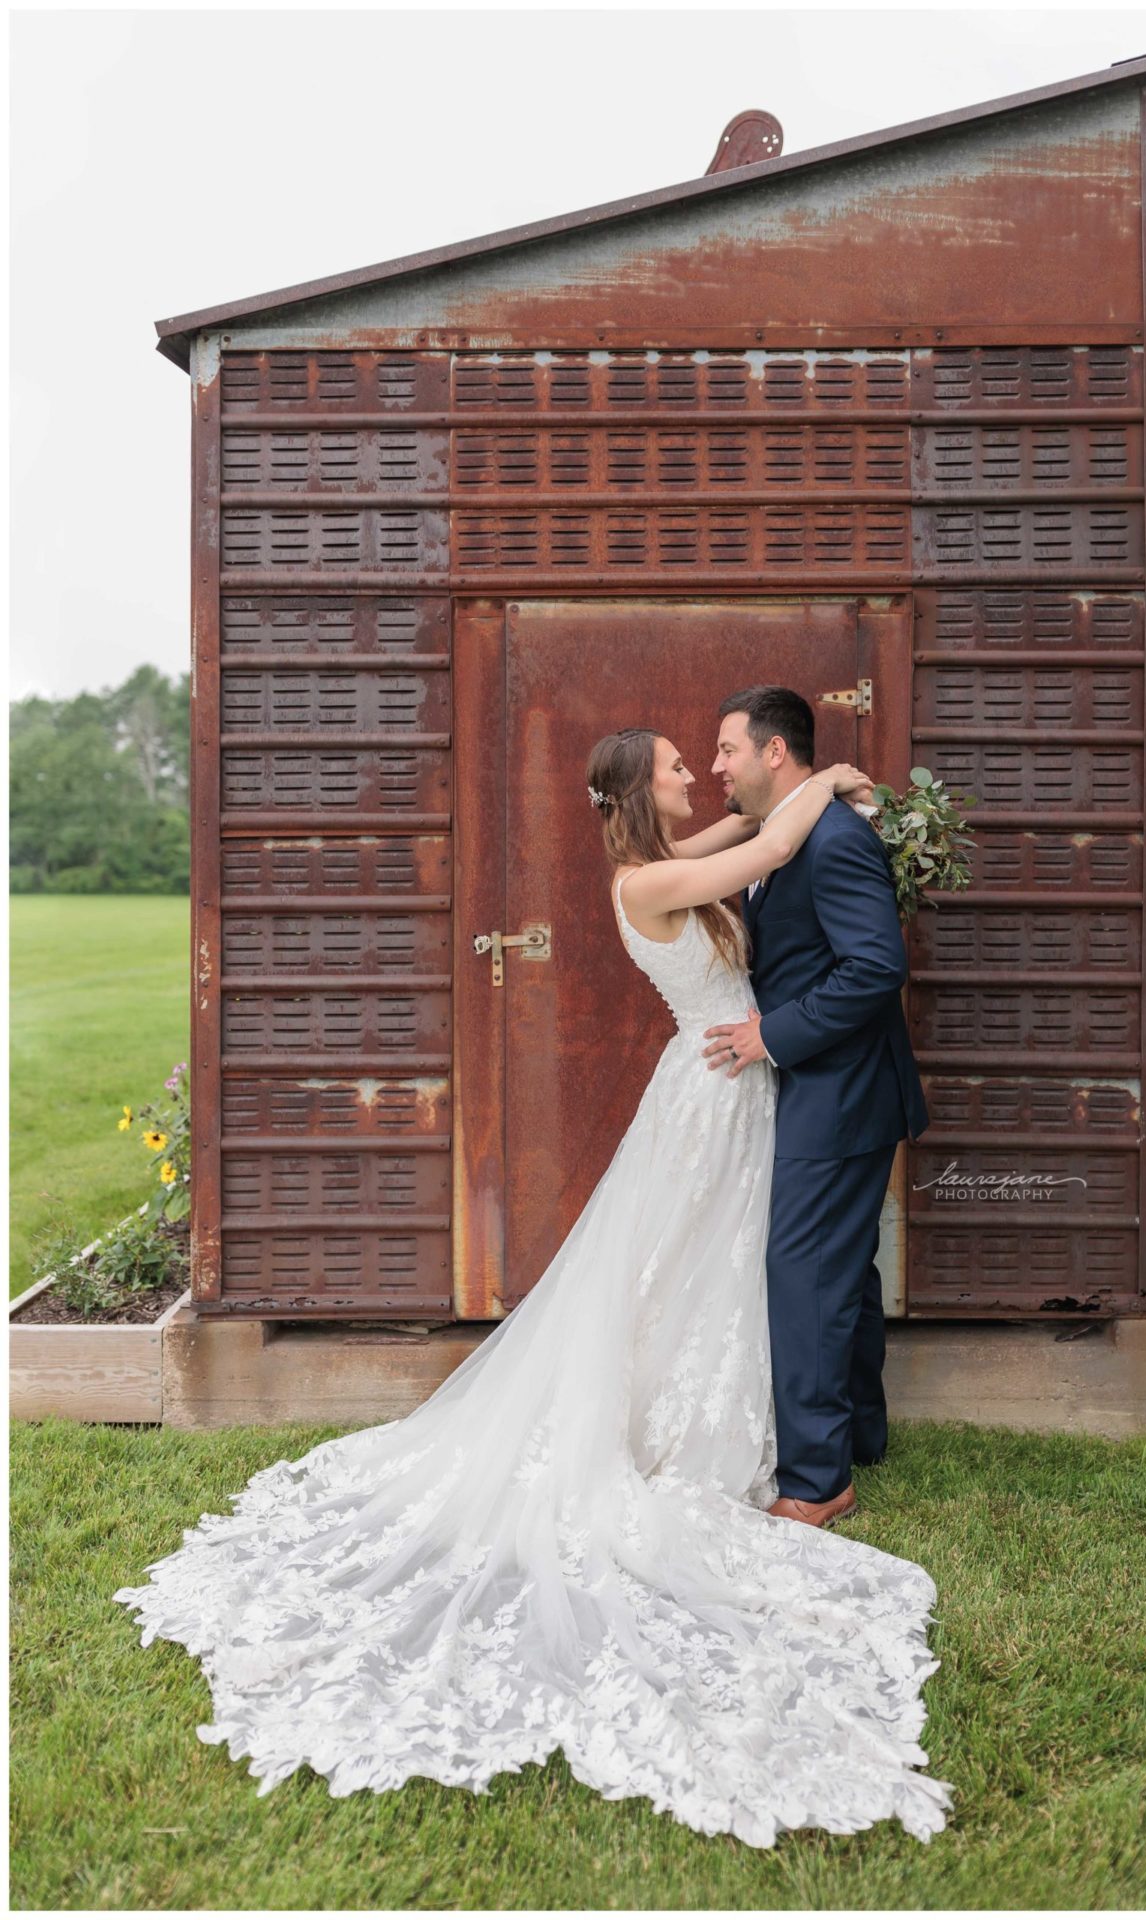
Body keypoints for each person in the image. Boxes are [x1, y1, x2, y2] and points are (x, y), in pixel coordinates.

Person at [113, 724, 953, 1849]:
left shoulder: (674, 849)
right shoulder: (647, 877)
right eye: (672, 762)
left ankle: (791, 1418)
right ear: (634, 791)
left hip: (743, 1092)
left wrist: (803, 794)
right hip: (712, 1093)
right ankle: (700, 1428)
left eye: (699, 755)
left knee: (734, 1268)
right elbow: (761, 848)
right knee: (689, 1265)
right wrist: (832, 782)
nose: (691, 770)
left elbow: (754, 825)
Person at [702, 687, 930, 1527]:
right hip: (828, 1088)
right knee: (842, 1272)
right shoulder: (788, 832)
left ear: (772, 752)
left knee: (803, 1276)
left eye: (726, 749)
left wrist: (773, 1037)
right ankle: (860, 1433)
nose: (716, 765)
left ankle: (816, 1480)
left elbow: (875, 967)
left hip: (840, 1095)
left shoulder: (830, 838)